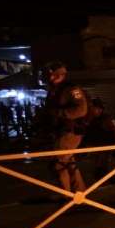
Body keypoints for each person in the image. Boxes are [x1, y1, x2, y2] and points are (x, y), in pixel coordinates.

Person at [37, 61, 87, 193]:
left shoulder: (71, 89)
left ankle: (67, 198)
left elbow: (82, 109)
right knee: (69, 165)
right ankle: (79, 195)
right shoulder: (53, 91)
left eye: (50, 74)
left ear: (58, 75)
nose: (48, 77)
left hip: (70, 132)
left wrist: (60, 113)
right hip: (59, 132)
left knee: (57, 165)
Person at [82, 97, 115, 182]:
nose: (91, 110)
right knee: (100, 173)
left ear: (99, 109)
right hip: (99, 150)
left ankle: (114, 189)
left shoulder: (107, 120)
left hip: (108, 150)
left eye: (93, 108)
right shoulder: (92, 121)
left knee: (105, 173)